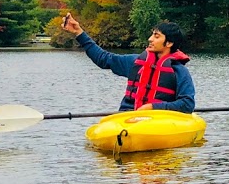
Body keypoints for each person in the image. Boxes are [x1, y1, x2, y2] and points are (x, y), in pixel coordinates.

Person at [61, 13, 196, 113]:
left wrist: (152, 107)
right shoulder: (135, 62)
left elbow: (187, 104)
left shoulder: (179, 71)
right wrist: (79, 32)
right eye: (152, 35)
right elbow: (103, 59)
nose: (150, 39)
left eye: (156, 36)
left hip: (158, 121)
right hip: (128, 118)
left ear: (169, 43)